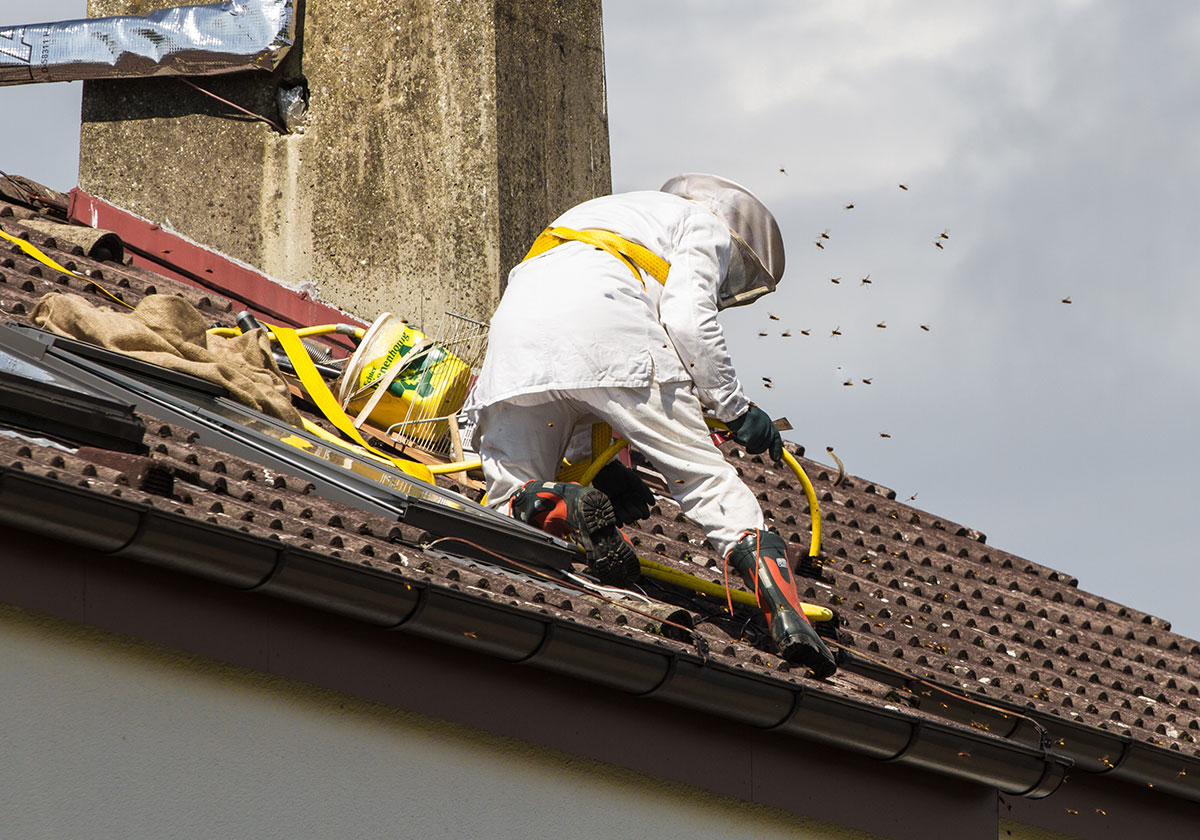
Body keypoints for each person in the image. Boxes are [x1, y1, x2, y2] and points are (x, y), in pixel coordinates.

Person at [465, 174, 836, 677]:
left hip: (517, 341)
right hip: (613, 329)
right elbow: (687, 317)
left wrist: (593, 473)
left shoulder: (605, 212)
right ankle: (789, 619)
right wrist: (736, 409)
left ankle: (561, 501)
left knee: (506, 494)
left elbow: (573, 382)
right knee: (707, 482)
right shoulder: (704, 225)